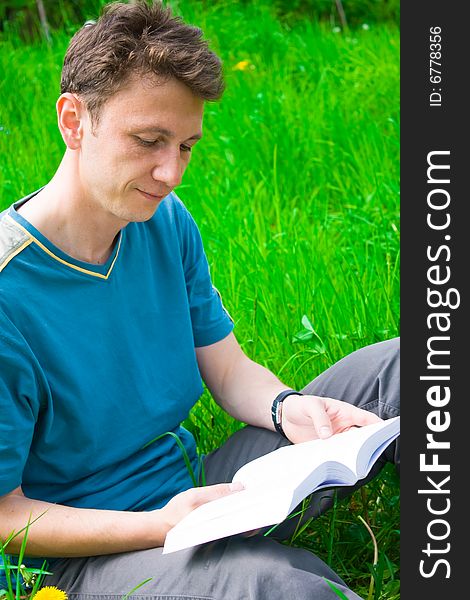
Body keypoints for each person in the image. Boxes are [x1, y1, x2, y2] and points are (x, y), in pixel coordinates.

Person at [0, 1, 400, 598]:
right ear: (74, 120)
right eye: (149, 141)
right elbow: (7, 519)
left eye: (186, 146)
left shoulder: (162, 219)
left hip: (203, 489)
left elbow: (230, 369)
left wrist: (286, 408)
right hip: (94, 552)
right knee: (284, 589)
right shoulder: (9, 293)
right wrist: (159, 526)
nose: (171, 173)